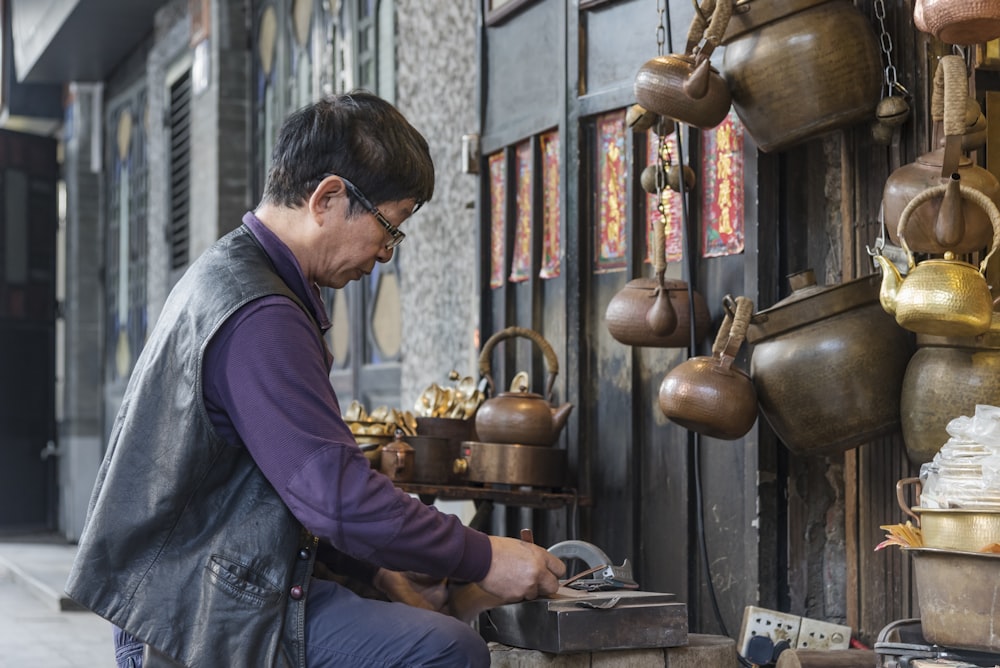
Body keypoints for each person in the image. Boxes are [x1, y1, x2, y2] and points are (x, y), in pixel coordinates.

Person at [65, 91, 566, 668]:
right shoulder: (261, 314)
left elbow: (289, 490)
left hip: (192, 588)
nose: (385, 253)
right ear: (327, 197)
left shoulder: (232, 274)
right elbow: (335, 497)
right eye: (389, 227)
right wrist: (484, 556)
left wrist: (380, 568)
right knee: (448, 650)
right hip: (192, 612)